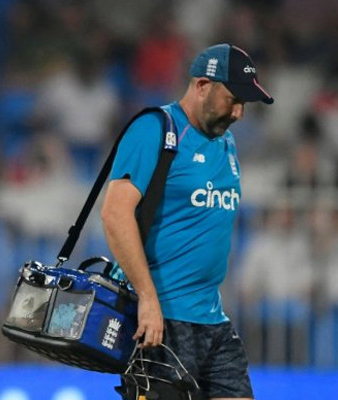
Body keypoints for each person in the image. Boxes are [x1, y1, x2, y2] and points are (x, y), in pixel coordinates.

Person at [101, 43, 273, 399]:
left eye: (244, 104)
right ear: (202, 86)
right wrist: (147, 298)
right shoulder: (155, 129)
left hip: (213, 320)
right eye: (233, 100)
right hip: (161, 321)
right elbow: (115, 214)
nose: (239, 113)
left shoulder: (226, 143)